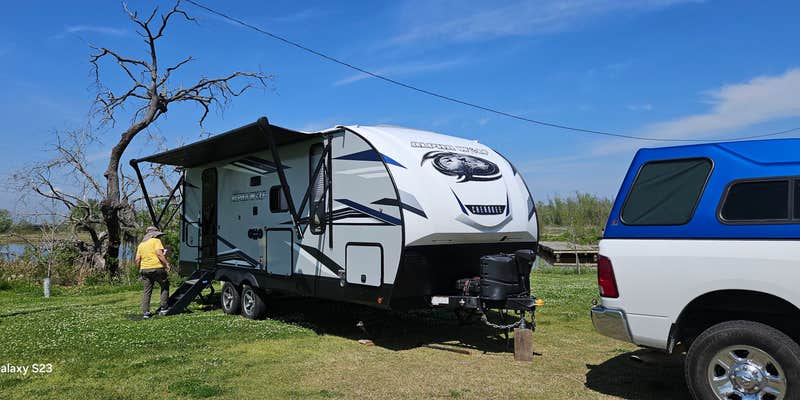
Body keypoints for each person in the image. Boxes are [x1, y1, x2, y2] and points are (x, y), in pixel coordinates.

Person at [135, 226, 171, 319]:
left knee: (147, 291)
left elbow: (137, 259)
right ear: (154, 235)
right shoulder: (156, 241)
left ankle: (146, 312)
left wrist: (140, 268)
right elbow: (159, 254)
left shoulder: (141, 245)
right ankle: (164, 308)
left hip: (144, 270)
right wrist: (166, 263)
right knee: (164, 285)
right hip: (157, 268)